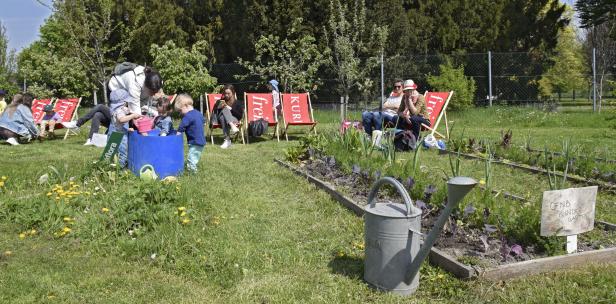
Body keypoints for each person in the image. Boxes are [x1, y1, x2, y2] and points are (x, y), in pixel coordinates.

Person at [109, 89, 141, 168]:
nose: (127, 103)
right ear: (122, 102)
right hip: (119, 135)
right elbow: (121, 119)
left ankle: (113, 164)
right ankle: (120, 168)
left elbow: (127, 111)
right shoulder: (119, 110)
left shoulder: (117, 109)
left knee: (113, 150)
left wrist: (135, 114)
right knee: (123, 151)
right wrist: (133, 116)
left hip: (115, 132)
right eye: (126, 102)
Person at [175, 94, 205, 172]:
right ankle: (192, 170)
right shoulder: (199, 113)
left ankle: (192, 174)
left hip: (195, 141)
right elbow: (203, 122)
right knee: (194, 157)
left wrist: (177, 136)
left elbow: (181, 127)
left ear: (185, 105)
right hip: (201, 141)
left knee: (191, 159)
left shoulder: (188, 116)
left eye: (180, 110)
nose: (181, 113)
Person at [211, 84, 242, 149]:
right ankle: (232, 126)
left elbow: (240, 116)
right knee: (224, 111)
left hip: (234, 119)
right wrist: (218, 107)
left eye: (229, 93)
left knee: (223, 117)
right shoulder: (220, 101)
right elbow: (214, 112)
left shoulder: (237, 103)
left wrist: (230, 108)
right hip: (222, 120)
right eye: (225, 93)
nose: (227, 95)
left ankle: (227, 140)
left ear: (233, 93)